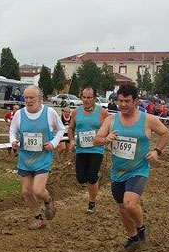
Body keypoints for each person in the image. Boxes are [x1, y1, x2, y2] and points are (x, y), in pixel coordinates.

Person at [94, 84, 169, 252]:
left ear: (135, 101)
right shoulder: (111, 120)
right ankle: (133, 237)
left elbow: (165, 133)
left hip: (138, 169)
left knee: (130, 204)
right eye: (120, 101)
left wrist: (157, 151)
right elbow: (96, 139)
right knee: (122, 207)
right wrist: (105, 138)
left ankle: (141, 228)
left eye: (127, 101)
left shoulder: (148, 119)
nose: (123, 105)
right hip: (118, 171)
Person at [10, 85, 66, 229]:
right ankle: (38, 217)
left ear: (40, 99)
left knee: (38, 190)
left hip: (43, 157)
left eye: (32, 98)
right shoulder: (19, 114)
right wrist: (13, 141)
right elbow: (12, 130)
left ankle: (48, 201)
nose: (28, 101)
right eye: (26, 98)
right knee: (26, 192)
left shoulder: (49, 113)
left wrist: (53, 143)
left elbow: (61, 130)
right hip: (25, 158)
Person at [68, 87, 109, 213]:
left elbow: (109, 128)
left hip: (97, 149)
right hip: (81, 149)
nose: (86, 100)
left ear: (94, 98)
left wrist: (105, 139)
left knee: (91, 177)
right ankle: (96, 177)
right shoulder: (76, 112)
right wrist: (72, 141)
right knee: (81, 179)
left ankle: (92, 202)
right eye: (84, 97)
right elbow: (71, 129)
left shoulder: (102, 113)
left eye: (89, 97)